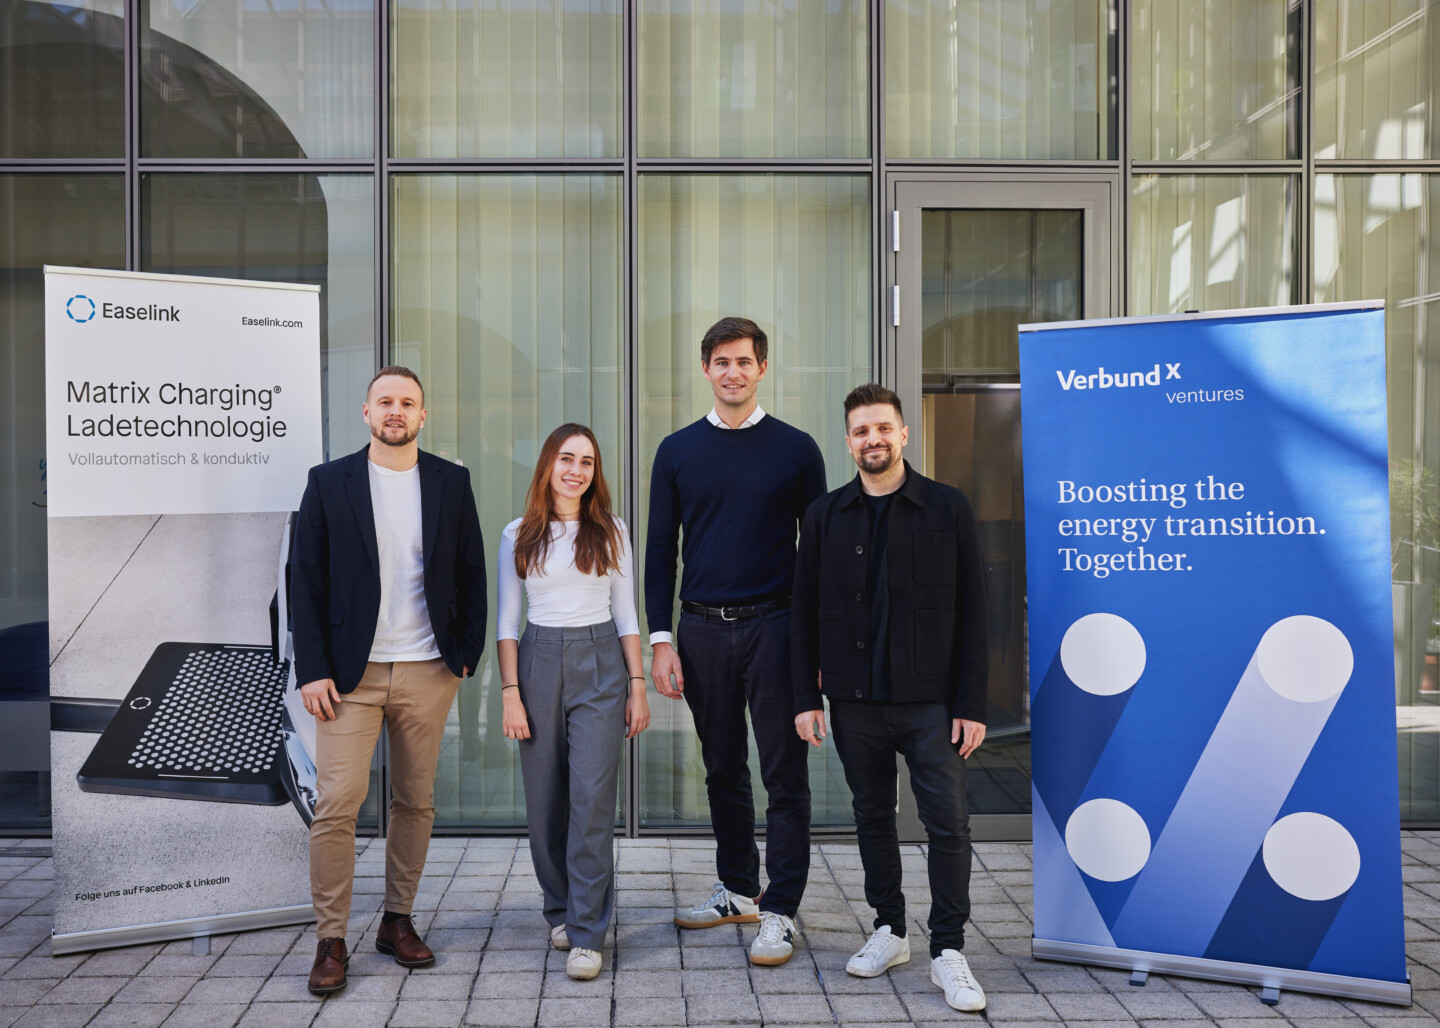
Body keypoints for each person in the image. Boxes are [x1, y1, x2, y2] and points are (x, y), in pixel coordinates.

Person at [791, 382, 989, 1012]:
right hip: (855, 701)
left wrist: (972, 703)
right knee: (872, 815)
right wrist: (805, 698)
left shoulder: (948, 508)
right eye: (860, 431)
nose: (872, 439)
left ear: (904, 434)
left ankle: (949, 949)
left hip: (932, 703)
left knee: (947, 823)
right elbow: (804, 612)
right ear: (848, 441)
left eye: (883, 428)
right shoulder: (825, 515)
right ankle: (890, 929)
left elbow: (975, 614)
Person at [290, 366, 487, 996]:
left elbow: (472, 571)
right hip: (350, 676)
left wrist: (465, 656)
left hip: (429, 669)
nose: (396, 411)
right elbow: (306, 582)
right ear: (366, 412)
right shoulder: (329, 482)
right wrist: (313, 668)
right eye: (385, 402)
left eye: (407, 403)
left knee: (416, 801)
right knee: (337, 805)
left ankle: (396, 920)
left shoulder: (451, 483)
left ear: (422, 416)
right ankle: (332, 938)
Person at [646, 316, 827, 966]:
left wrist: (816, 649)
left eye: (744, 362)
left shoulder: (798, 449)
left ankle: (779, 911)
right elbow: (661, 549)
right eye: (721, 361)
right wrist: (662, 640)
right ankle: (737, 889)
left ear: (761, 368)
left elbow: (819, 557)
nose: (732, 372)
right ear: (706, 370)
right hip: (700, 631)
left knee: (785, 774)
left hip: (776, 628)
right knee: (722, 767)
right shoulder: (677, 451)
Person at [496, 423, 650, 980]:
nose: (576, 470)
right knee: (545, 806)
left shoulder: (611, 530)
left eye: (587, 462)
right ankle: (559, 908)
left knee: (591, 800)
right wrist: (511, 694)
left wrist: (638, 684)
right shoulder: (518, 534)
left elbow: (627, 612)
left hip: (601, 661)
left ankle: (588, 933)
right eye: (567, 459)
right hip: (537, 662)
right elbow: (506, 624)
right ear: (547, 465)